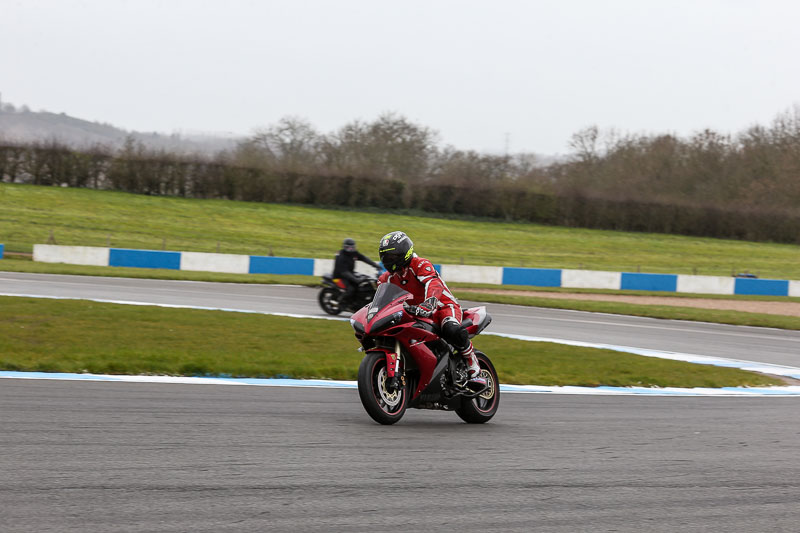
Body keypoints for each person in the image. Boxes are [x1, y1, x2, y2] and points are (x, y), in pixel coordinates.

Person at [377, 231, 483, 382]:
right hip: (416, 313)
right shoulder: (386, 278)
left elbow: (433, 283)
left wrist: (429, 303)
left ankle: (473, 364)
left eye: (392, 256)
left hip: (443, 307)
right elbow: (381, 299)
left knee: (451, 328)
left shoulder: (420, 264)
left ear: (404, 253)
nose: (388, 260)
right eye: (385, 256)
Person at [333, 237, 381, 310]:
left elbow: (363, 258)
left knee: (363, 284)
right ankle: (341, 302)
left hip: (350, 273)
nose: (351, 249)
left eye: (352, 247)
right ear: (345, 247)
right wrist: (355, 279)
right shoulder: (341, 256)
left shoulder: (354, 253)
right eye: (349, 248)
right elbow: (344, 272)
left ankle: (358, 302)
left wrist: (375, 265)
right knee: (351, 289)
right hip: (340, 277)